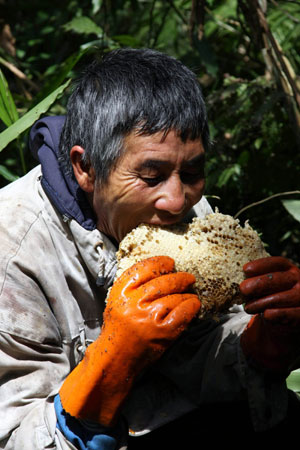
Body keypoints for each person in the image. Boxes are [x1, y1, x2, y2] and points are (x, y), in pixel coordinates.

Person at [0, 47, 300, 449]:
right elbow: (15, 437)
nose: (177, 201)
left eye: (192, 172)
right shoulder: (13, 250)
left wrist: (262, 345)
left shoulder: (180, 208)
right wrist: (112, 362)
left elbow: (198, 352)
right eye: (151, 175)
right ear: (85, 168)